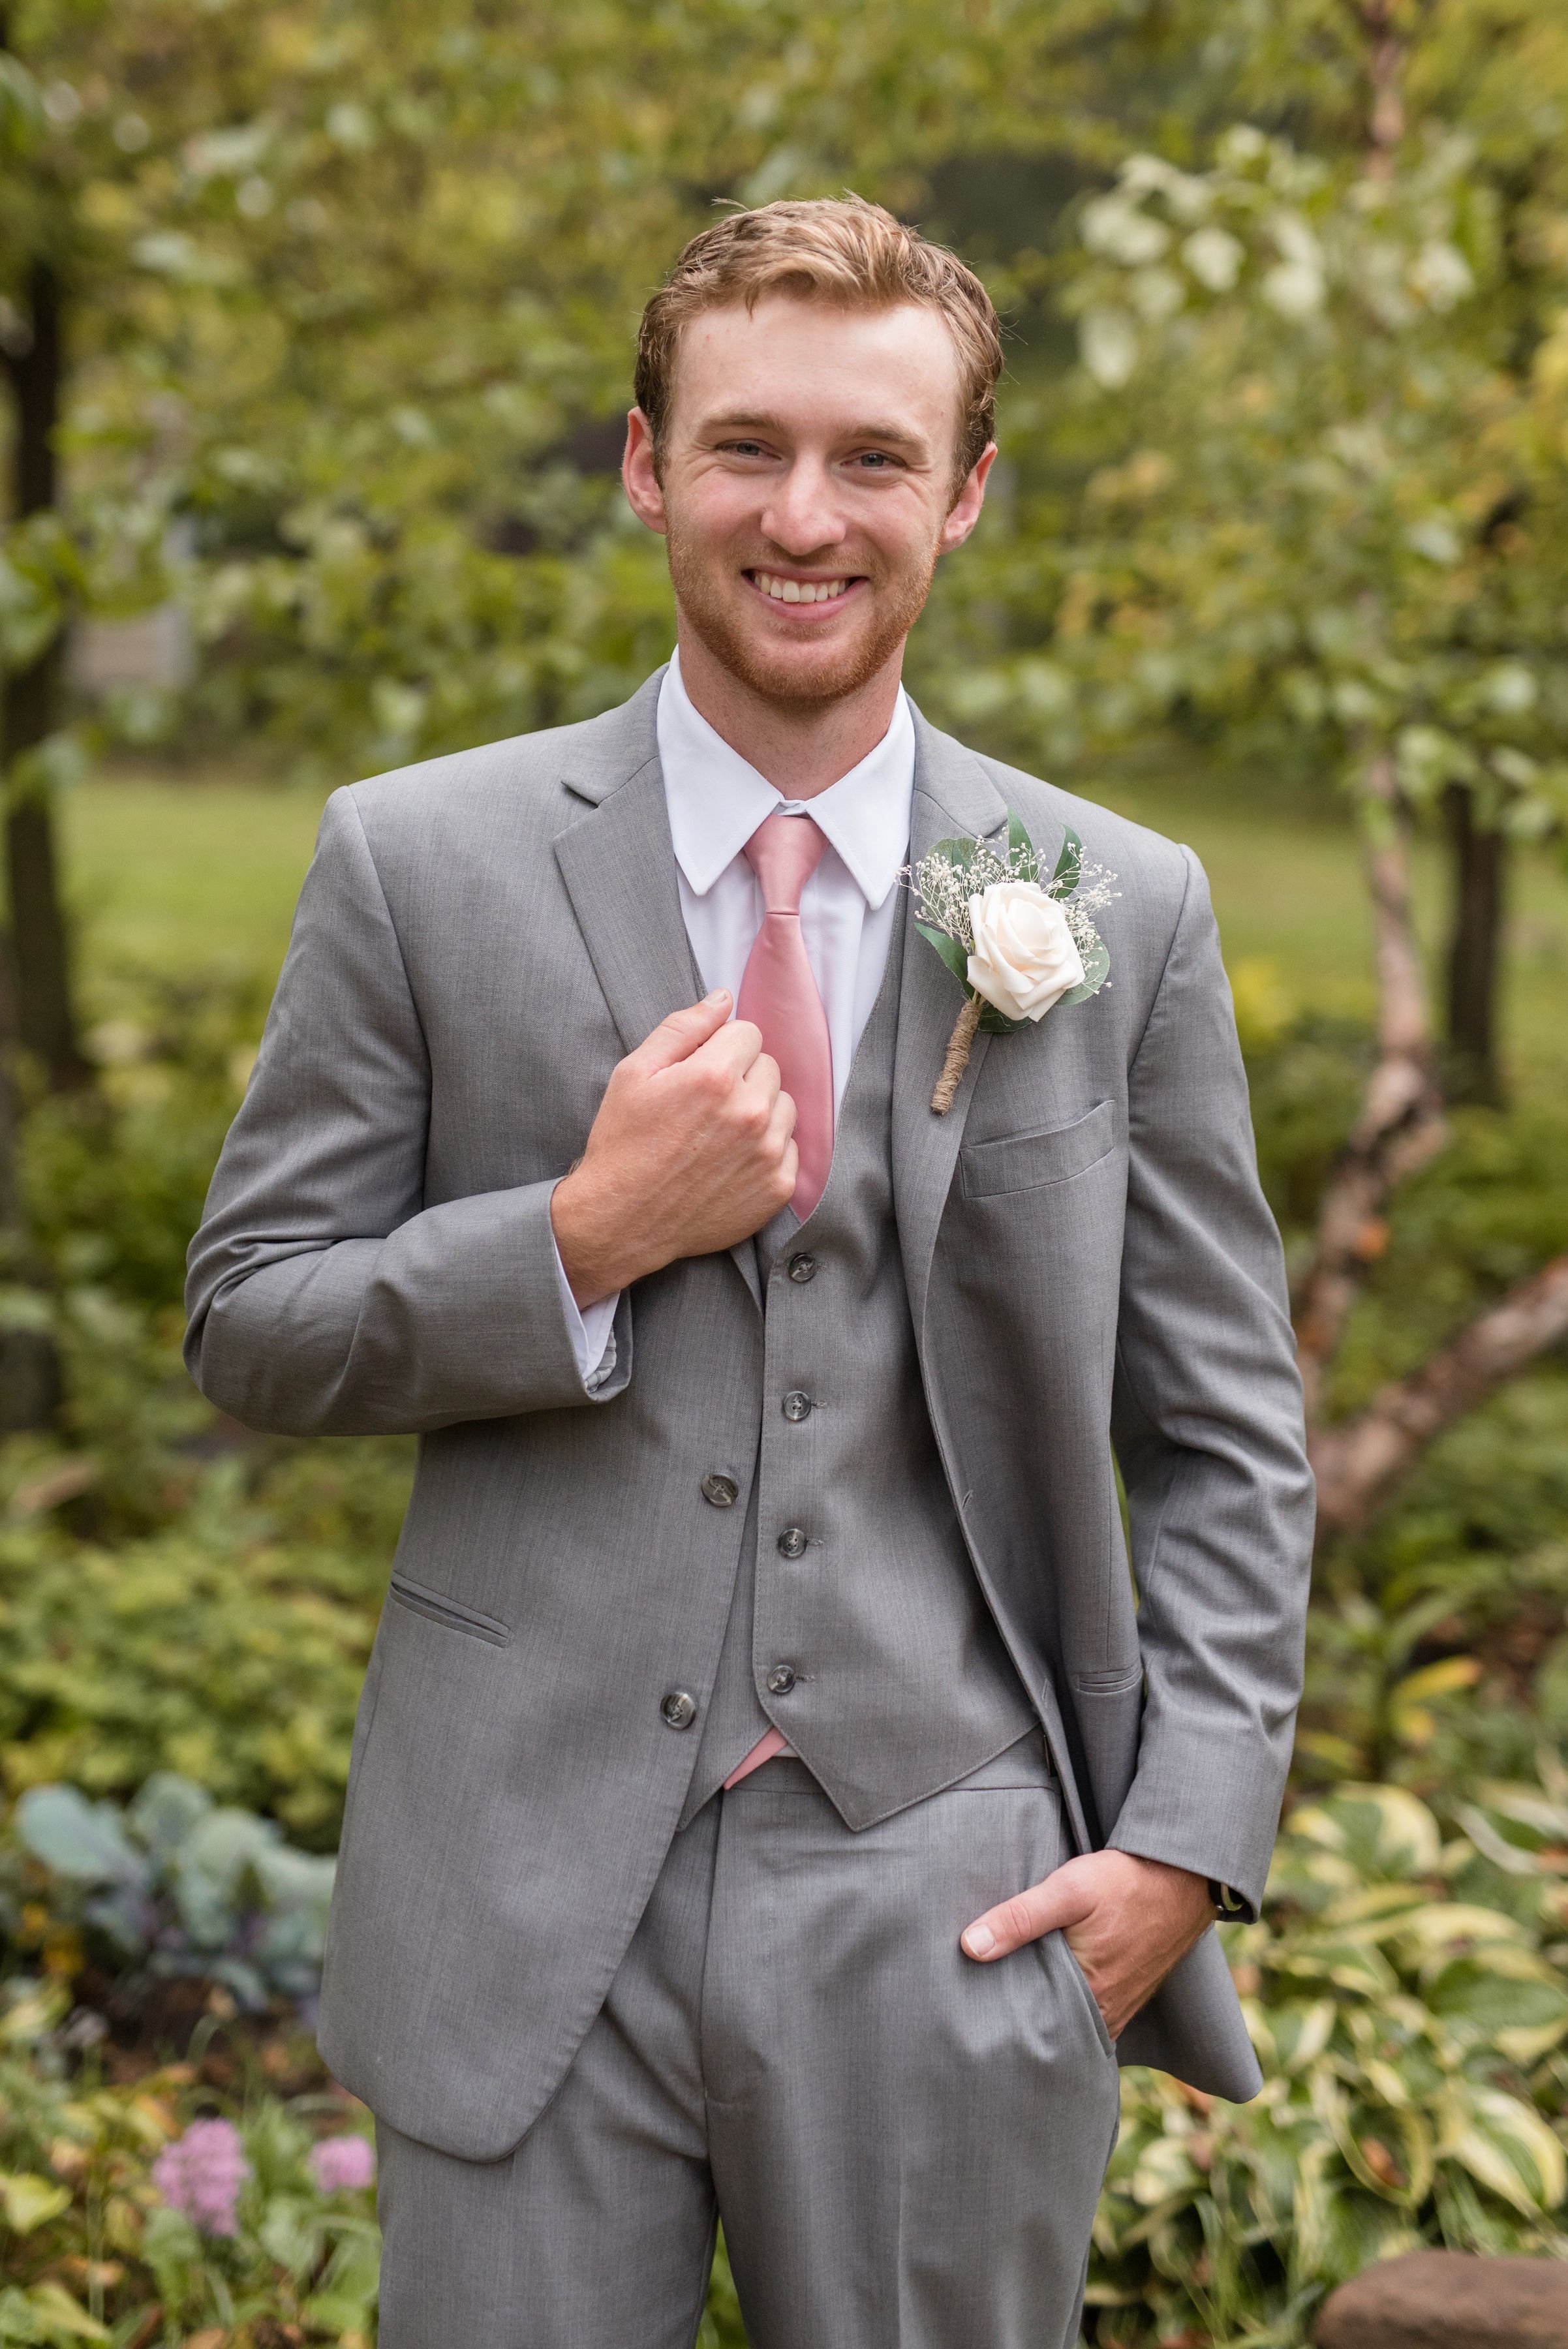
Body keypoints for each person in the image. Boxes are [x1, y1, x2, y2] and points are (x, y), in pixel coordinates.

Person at [185, 195, 1314, 2349]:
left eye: (874, 460)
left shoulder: (1114, 904)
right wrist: (579, 1239)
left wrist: (1180, 1845)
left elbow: (1227, 1427)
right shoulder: (418, 863)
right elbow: (252, 1319)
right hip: (519, 1891)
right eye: (743, 448)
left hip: (955, 1895)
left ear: (963, 495)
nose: (804, 517)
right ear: (643, 466)